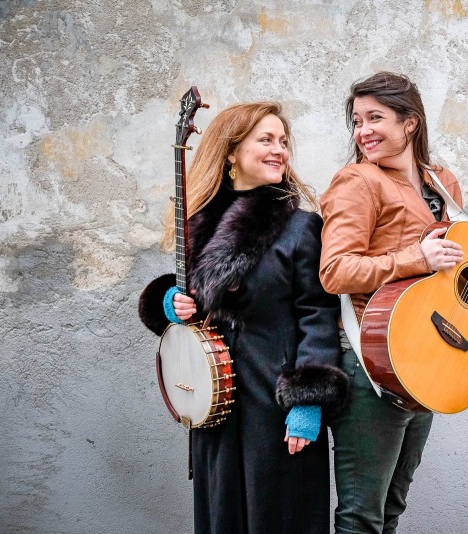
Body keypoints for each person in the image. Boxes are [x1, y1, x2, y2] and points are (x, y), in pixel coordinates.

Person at [137, 102, 348, 534]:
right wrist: (169, 302)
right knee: (222, 520)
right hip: (216, 403)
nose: (280, 150)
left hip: (277, 406)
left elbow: (318, 316)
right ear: (231, 152)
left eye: (283, 142)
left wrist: (306, 402)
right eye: (266, 140)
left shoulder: (301, 227)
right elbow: (190, 307)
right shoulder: (197, 223)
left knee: (282, 519)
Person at [319, 72, 468, 533]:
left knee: (391, 509)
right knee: (361, 514)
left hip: (427, 360)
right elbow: (335, 271)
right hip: (372, 364)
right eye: (357, 120)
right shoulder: (356, 182)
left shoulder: (441, 182)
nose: (362, 130)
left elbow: (446, 275)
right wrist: (413, 257)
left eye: (375, 118)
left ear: (410, 123)